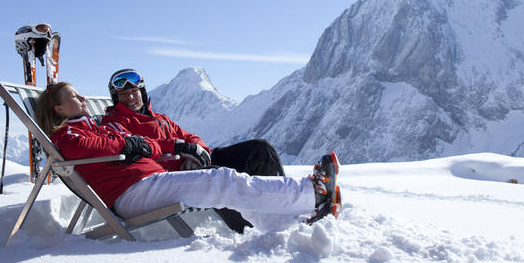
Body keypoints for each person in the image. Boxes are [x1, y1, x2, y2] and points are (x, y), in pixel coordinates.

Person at [35, 81, 341, 228]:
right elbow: (93, 148)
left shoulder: (97, 128)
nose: (82, 97)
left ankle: (291, 223)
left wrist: (172, 146)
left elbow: (146, 144)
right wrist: (127, 145)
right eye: (73, 96)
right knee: (222, 181)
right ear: (58, 108)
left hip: (146, 182)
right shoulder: (68, 135)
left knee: (223, 181)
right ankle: (311, 194)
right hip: (130, 192)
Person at [101, 68, 285, 231]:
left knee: (260, 149)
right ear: (116, 98)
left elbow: (190, 137)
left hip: (195, 163)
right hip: (173, 176)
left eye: (134, 91)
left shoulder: (160, 118)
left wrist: (197, 152)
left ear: (142, 92)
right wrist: (182, 153)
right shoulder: (114, 124)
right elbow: (141, 149)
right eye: (124, 94)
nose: (131, 98)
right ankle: (250, 230)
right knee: (217, 177)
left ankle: (282, 208)